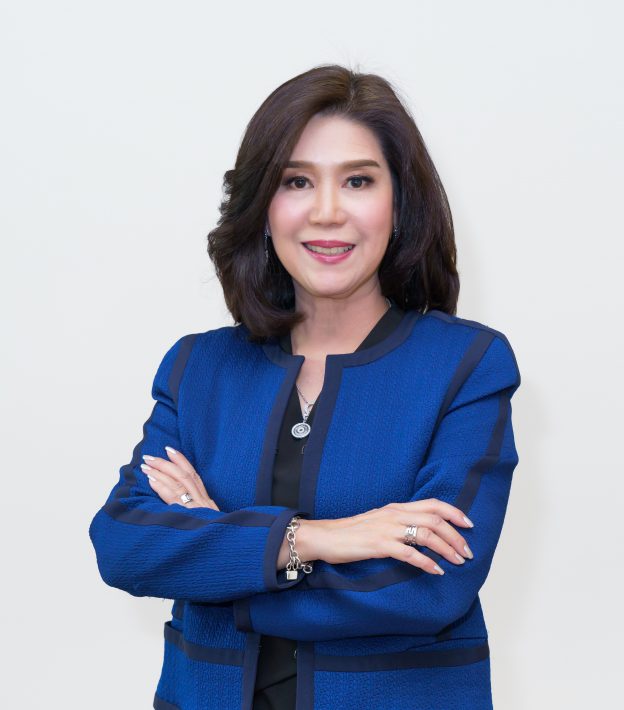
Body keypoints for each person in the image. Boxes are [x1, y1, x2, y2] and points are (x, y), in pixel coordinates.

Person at [88, 63, 521, 710]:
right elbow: (125, 543)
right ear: (263, 207)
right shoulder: (198, 367)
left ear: (400, 203)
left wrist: (219, 560)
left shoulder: (467, 365)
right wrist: (319, 539)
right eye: (297, 181)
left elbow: (430, 585)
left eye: (358, 181)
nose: (327, 211)